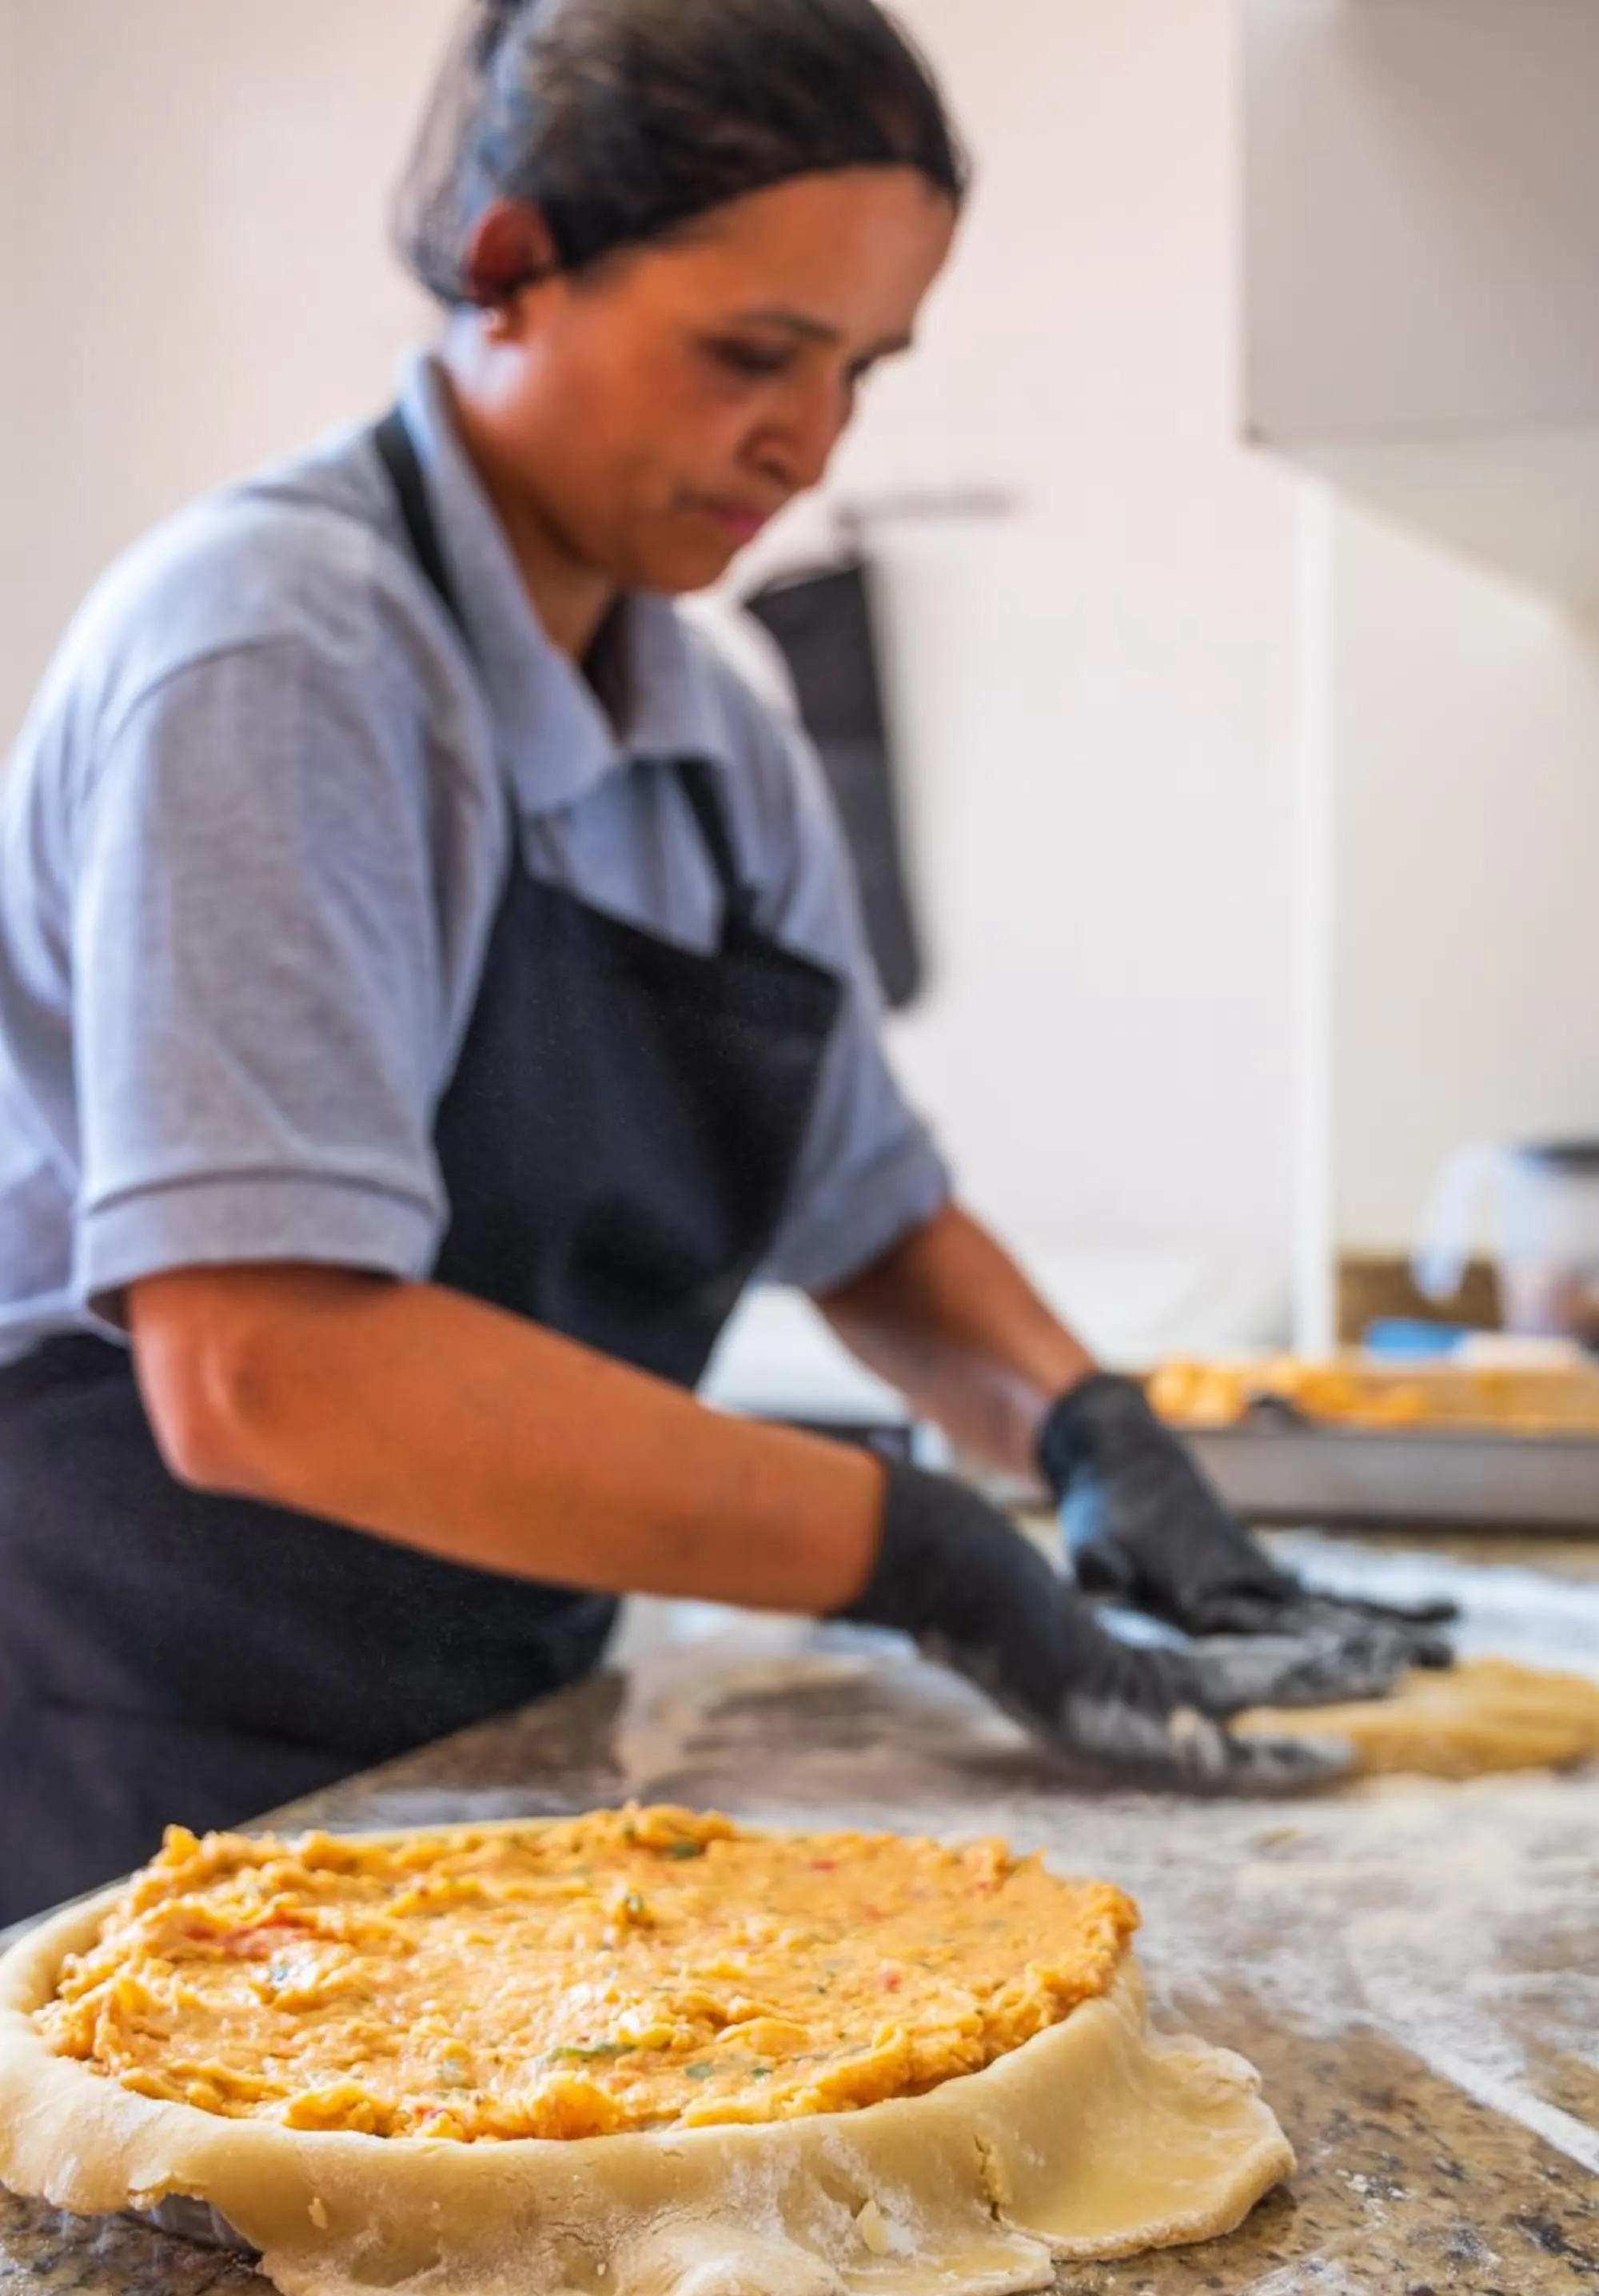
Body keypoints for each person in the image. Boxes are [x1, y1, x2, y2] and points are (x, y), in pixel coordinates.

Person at [0, 0, 1449, 1927]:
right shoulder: (278, 653)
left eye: (861, 368)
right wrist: (922, 1548)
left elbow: (870, 1212)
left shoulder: (712, 720)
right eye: (752, 353)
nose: (812, 437)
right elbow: (264, 1366)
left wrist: (1095, 1439)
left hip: (492, 1723)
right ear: (509, 265)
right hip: (143, 1747)